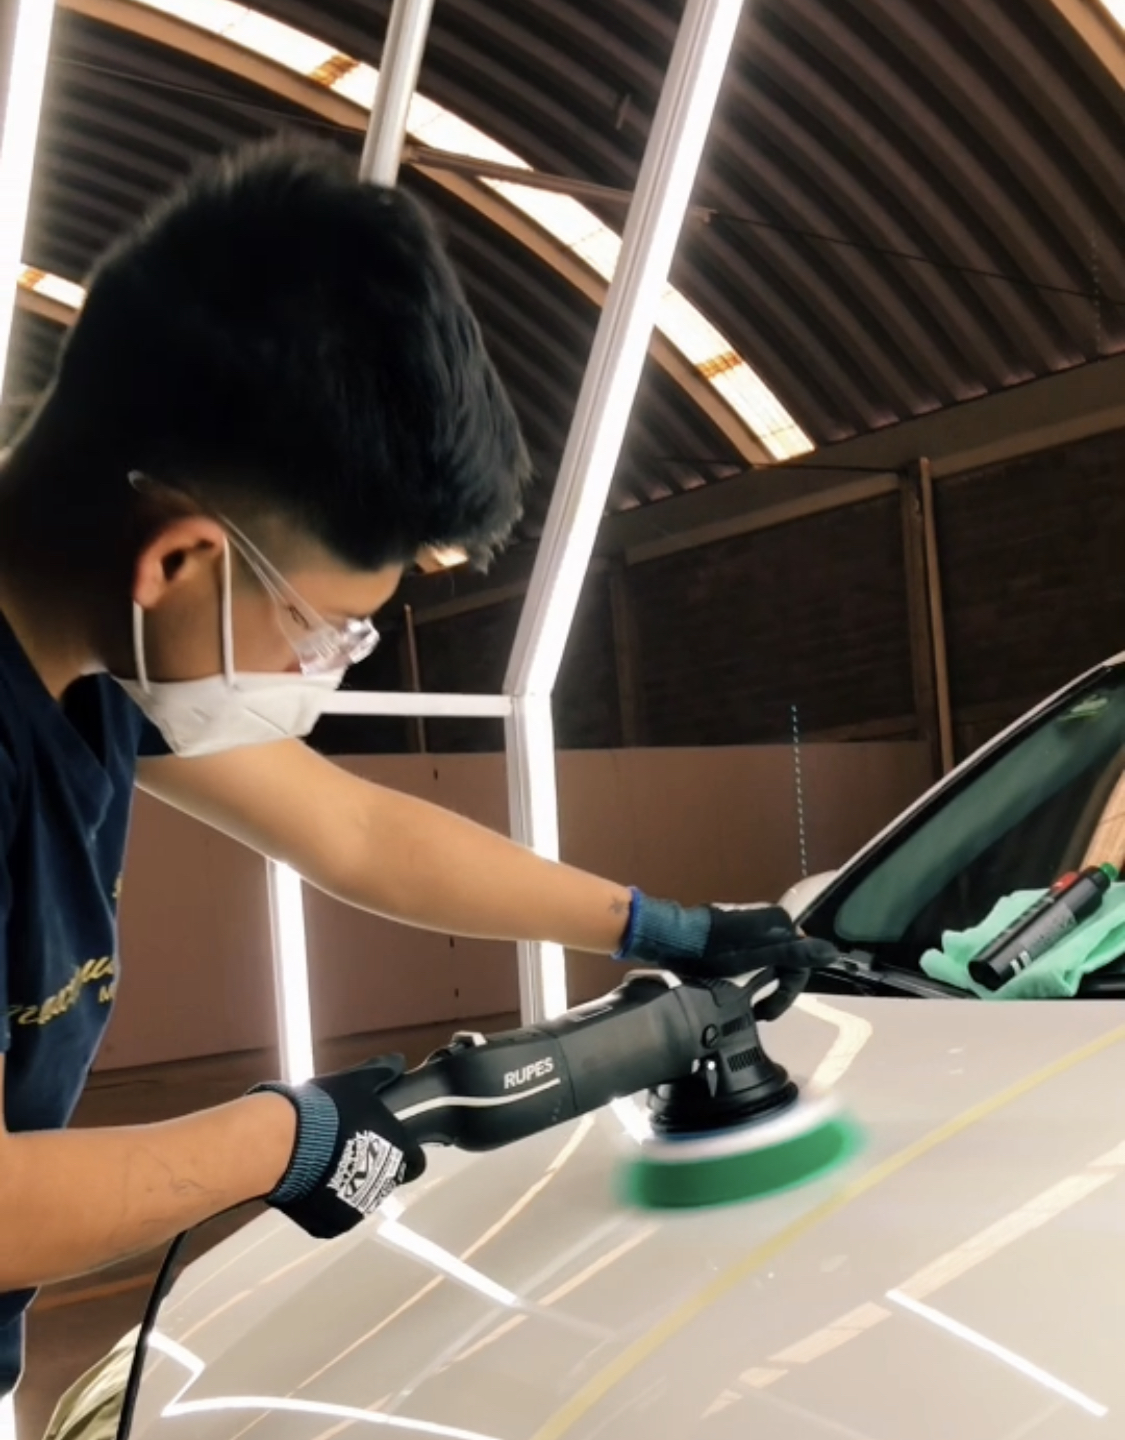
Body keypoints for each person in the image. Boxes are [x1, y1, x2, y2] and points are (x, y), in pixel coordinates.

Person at [0, 140, 832, 1394]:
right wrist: (285, 1138)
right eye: (321, 628)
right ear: (176, 562)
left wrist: (668, 926)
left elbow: (361, 835)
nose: (320, 670)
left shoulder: (87, 654)